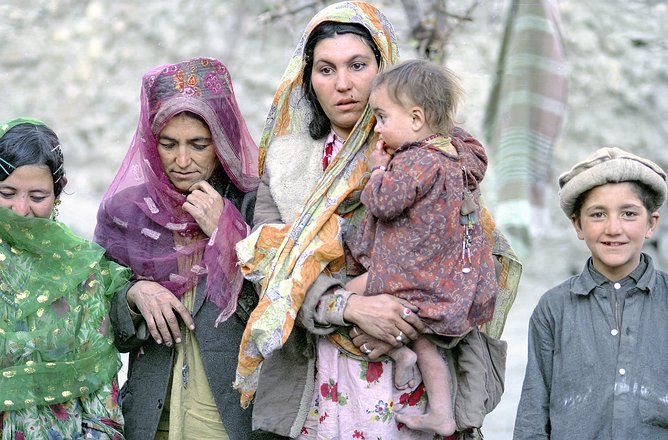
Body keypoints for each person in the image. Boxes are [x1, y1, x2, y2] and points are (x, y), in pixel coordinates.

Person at [234, 2, 522, 439]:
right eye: (326, 69)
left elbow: (473, 254)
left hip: (415, 382)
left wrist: (408, 319)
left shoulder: (439, 154)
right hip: (319, 377)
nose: (343, 84)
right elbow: (266, 258)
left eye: (357, 65)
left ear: (383, 67)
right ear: (307, 78)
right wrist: (349, 307)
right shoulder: (286, 161)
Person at [94, 58, 262, 440]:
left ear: (222, 140)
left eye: (199, 145)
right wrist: (134, 294)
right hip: (152, 422)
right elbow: (96, 317)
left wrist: (227, 231)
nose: (182, 161)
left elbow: (280, 308)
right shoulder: (126, 214)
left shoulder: (255, 205)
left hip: (231, 421)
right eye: (168, 144)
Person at [341, 59, 498, 436]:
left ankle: (397, 352)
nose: (376, 127)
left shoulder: (414, 162)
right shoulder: (455, 156)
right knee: (424, 341)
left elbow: (382, 204)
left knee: (346, 298)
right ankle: (441, 411)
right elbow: (476, 149)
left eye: (381, 117)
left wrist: (379, 170)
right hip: (442, 278)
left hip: (408, 271)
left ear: (415, 119)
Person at [513, 147, 668, 439]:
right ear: (578, 224)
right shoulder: (554, 308)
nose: (613, 228)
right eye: (598, 214)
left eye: (629, 213)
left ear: (651, 224)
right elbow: (533, 411)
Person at [0, 118, 131, 439]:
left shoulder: (80, 271)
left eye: (37, 196)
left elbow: (103, 408)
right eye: (7, 192)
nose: (21, 209)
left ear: (58, 193)